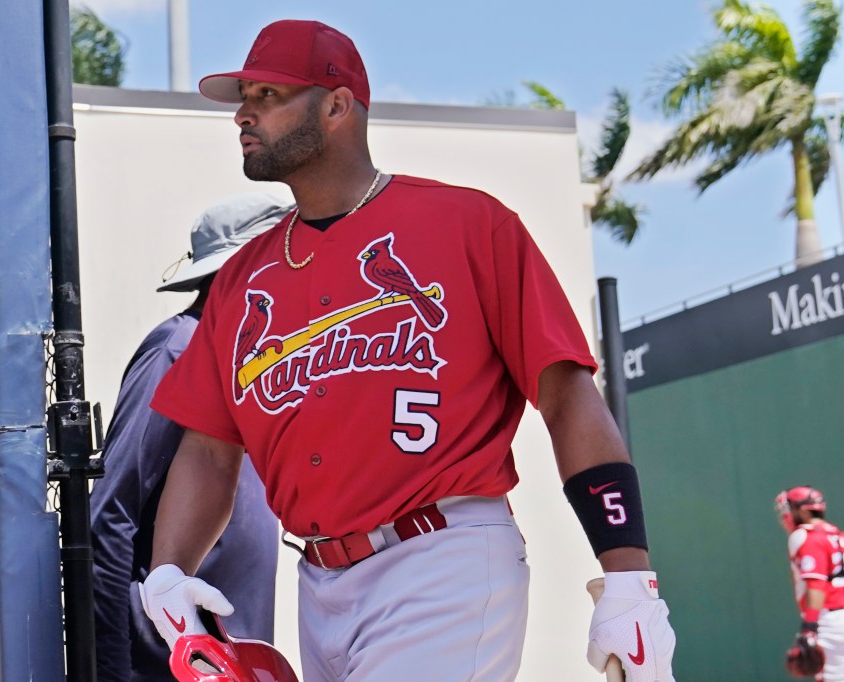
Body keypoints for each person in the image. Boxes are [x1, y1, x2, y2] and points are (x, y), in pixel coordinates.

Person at [137, 19, 677, 682]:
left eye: (268, 95)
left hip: (441, 560)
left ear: (337, 106)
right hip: (318, 581)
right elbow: (208, 449)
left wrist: (628, 576)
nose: (243, 114)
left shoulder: (468, 224)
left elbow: (565, 394)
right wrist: (168, 573)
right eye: (244, 97)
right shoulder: (243, 279)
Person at [89, 193, 292, 682]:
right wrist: (113, 669)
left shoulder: (254, 355)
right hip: (169, 657)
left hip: (230, 654)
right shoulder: (178, 346)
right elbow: (111, 514)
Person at [776, 486, 844, 681]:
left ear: (804, 511)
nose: (786, 515)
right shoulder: (837, 535)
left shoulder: (806, 536)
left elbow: (816, 584)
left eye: (790, 509)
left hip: (832, 621)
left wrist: (809, 627)